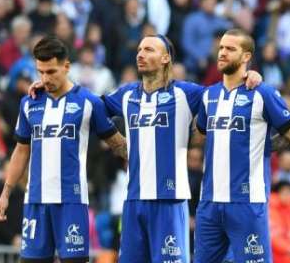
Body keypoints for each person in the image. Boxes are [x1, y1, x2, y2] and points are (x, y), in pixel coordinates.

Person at [102, 33, 262, 263]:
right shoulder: (126, 94)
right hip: (132, 200)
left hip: (170, 199)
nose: (140, 54)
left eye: (148, 50)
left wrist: (250, 75)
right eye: (139, 50)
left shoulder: (186, 93)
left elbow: (223, 92)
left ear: (166, 58)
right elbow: (90, 108)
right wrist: (117, 142)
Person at [0, 35, 127, 263]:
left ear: (66, 67)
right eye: (40, 72)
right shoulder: (29, 103)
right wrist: (5, 194)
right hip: (36, 201)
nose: (45, 78)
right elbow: (21, 150)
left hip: (72, 202)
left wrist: (141, 161)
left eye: (51, 71)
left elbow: (117, 143)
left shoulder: (88, 102)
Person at [194, 28, 290, 263]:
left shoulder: (262, 93)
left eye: (230, 49)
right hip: (209, 202)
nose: (223, 53)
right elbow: (199, 136)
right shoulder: (208, 96)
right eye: (221, 48)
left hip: (247, 202)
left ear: (246, 56)